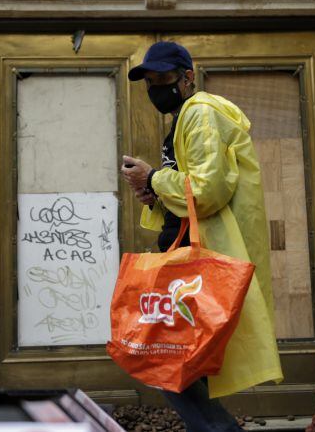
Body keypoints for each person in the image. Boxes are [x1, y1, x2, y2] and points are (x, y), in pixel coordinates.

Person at [120, 41, 283, 432]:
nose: (156, 88)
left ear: (188, 77)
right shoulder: (185, 117)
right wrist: (154, 192)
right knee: (176, 358)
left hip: (202, 261)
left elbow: (207, 191)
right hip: (193, 258)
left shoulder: (201, 113)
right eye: (150, 82)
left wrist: (154, 177)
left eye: (163, 79)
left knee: (166, 357)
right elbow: (194, 189)